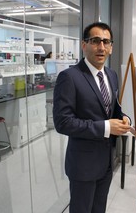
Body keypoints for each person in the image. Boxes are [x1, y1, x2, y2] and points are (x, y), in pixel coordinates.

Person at [53, 22, 131, 213]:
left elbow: (112, 109)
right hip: (83, 165)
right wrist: (105, 127)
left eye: (106, 42)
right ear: (84, 45)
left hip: (106, 161)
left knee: (99, 209)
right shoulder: (69, 77)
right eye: (95, 41)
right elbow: (63, 122)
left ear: (111, 47)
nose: (101, 47)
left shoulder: (111, 75)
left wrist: (124, 117)